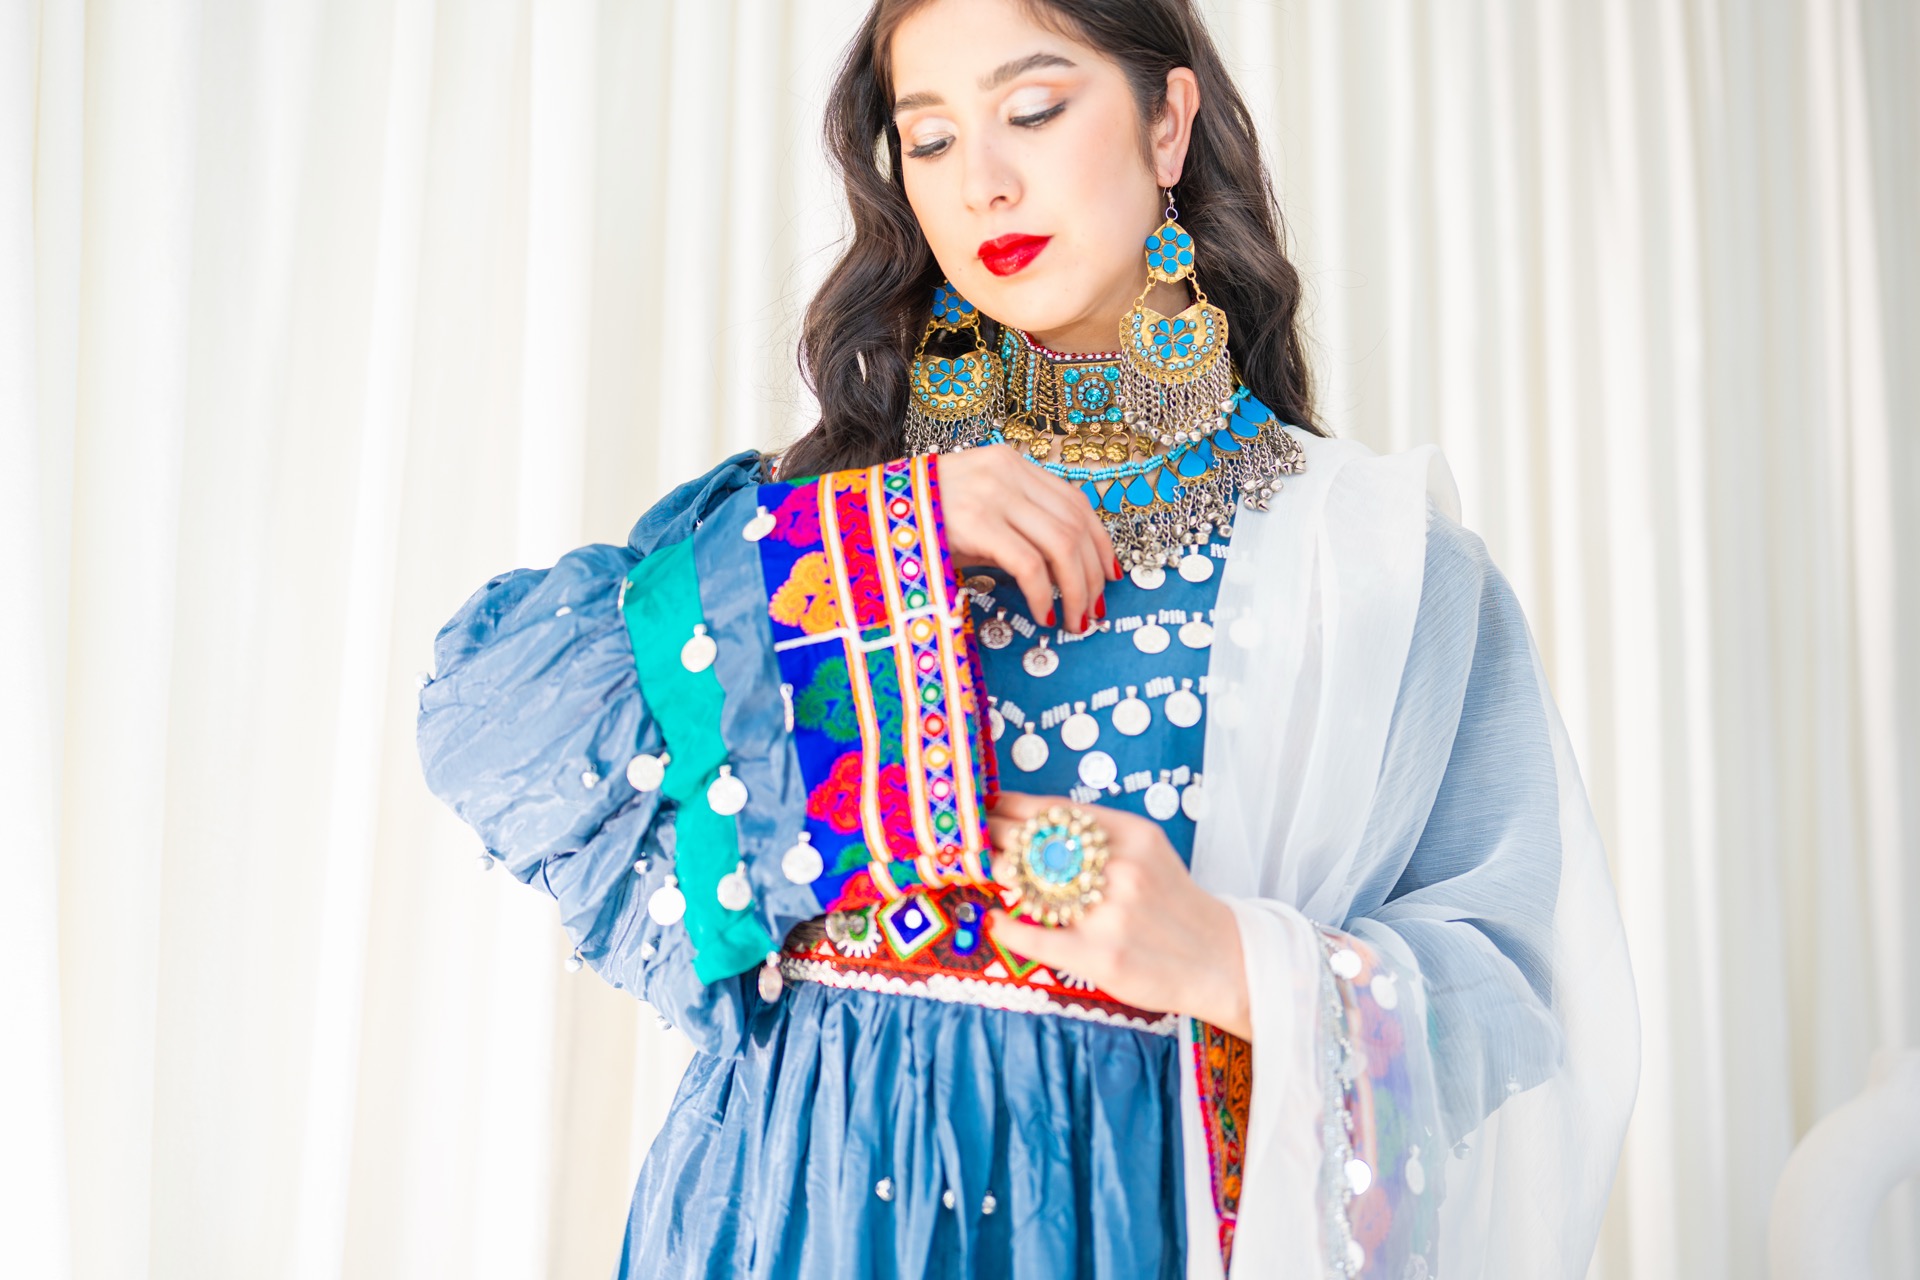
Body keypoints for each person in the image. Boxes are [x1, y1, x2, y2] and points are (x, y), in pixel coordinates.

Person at [415, 0, 1641, 1275]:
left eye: (1035, 110)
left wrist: (1231, 957)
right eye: (930, 140)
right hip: (787, 1210)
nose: (984, 183)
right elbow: (488, 712)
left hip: (1119, 1218)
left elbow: (1511, 990)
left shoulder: (1372, 562)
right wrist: (887, 534)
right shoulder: (834, 517)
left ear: (1169, 125)